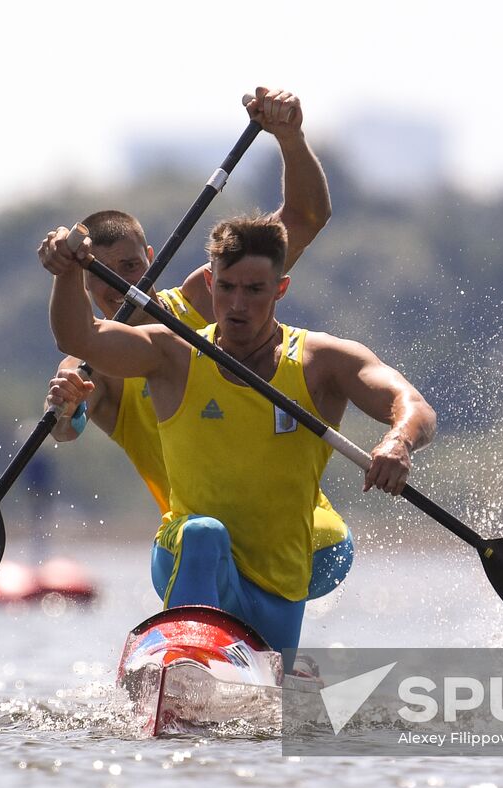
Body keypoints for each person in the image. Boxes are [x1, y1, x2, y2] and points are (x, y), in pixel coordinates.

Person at [41, 214, 436, 651]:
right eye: (227, 288)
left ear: (280, 289)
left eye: (254, 290)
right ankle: (186, 656)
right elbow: (79, 336)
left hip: (280, 578)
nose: (238, 305)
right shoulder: (172, 353)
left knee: (271, 699)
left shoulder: (321, 361)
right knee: (202, 533)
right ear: (209, 284)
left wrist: (398, 441)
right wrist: (68, 270)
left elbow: (412, 404)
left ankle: (233, 665)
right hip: (189, 555)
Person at [42, 87, 354, 600]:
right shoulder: (93, 363)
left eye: (129, 268)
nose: (117, 284)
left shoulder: (209, 295)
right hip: (196, 547)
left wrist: (291, 139)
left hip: (308, 544)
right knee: (205, 541)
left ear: (149, 255)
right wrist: (64, 409)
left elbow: (305, 218)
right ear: (84, 288)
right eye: (99, 279)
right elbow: (64, 428)